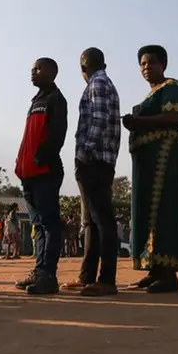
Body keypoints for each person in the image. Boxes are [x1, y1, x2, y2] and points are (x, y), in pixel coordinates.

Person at [122, 45, 178, 293]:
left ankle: (169, 273)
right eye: (142, 64)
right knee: (146, 212)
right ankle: (154, 269)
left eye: (151, 63)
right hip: (145, 161)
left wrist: (138, 122)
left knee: (163, 209)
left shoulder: (173, 87)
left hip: (164, 156)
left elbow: (172, 118)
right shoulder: (151, 94)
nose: (146, 68)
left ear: (164, 64)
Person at [61, 47, 121, 297]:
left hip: (94, 160)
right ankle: (87, 277)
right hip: (101, 159)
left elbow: (97, 120)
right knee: (92, 223)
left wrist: (84, 152)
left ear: (82, 68)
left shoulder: (96, 84)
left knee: (102, 221)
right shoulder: (105, 83)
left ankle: (106, 279)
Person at [13, 57, 68, 294]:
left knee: (49, 223)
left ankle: (49, 275)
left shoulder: (56, 99)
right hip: (27, 174)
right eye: (32, 69)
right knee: (38, 225)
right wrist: (20, 164)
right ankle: (38, 270)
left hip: (45, 172)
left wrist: (40, 158)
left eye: (38, 68)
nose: (33, 72)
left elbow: (57, 135)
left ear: (52, 72)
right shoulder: (35, 100)